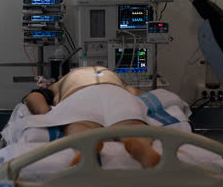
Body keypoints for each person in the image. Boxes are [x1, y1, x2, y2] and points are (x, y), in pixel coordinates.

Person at [22, 67, 162, 168]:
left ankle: (86, 147)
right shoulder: (114, 77)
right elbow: (143, 96)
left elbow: (33, 98)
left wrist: (47, 115)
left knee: (80, 125)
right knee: (132, 124)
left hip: (79, 94)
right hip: (116, 92)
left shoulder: (63, 81)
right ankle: (141, 145)